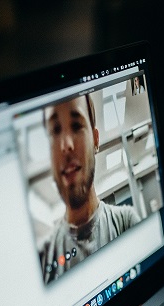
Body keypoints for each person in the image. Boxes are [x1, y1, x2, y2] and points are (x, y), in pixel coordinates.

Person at [41, 94, 141, 283]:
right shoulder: (45, 258)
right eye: (55, 130)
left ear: (95, 140)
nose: (66, 146)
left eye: (77, 126)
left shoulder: (125, 223)